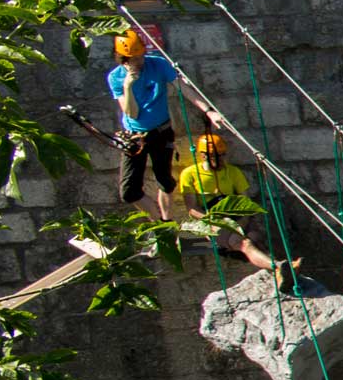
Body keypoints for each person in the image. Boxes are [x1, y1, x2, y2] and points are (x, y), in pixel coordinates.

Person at [105, 27, 216, 221]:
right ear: (123, 59)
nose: (140, 62)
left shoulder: (158, 65)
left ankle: (166, 223)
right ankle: (158, 223)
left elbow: (183, 88)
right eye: (134, 59)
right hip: (135, 137)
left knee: (165, 181)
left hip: (161, 131)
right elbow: (132, 113)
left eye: (141, 56)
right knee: (129, 191)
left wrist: (208, 110)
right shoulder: (116, 78)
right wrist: (128, 86)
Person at [174, 133, 295, 290]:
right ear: (204, 155)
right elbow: (192, 208)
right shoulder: (190, 174)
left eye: (222, 155)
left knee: (255, 237)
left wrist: (241, 222)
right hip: (213, 220)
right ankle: (278, 266)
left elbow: (244, 202)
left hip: (235, 216)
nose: (221, 159)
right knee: (244, 243)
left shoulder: (233, 172)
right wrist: (216, 223)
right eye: (216, 156)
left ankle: (280, 272)